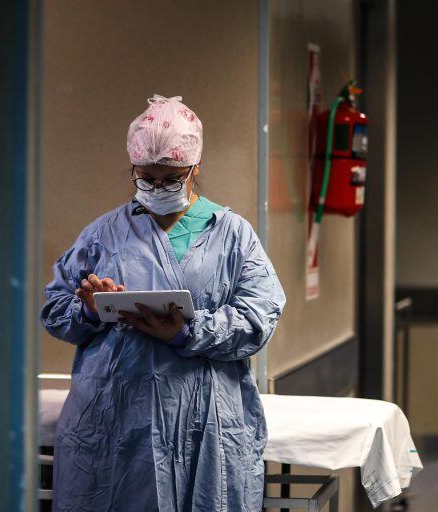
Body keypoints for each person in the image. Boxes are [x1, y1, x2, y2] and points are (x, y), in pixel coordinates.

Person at [41, 94, 286, 511]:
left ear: (195, 168)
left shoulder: (232, 235)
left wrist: (187, 332)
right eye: (146, 178)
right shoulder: (105, 234)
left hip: (205, 415)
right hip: (117, 413)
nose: (156, 187)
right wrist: (88, 309)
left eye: (170, 178)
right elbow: (54, 310)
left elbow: (259, 315)